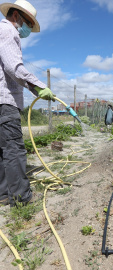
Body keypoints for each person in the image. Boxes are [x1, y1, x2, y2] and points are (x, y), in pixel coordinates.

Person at [0, 0, 55, 207]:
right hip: (5, 100)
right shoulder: (8, 32)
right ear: (16, 16)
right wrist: (39, 86)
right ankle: (21, 198)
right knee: (14, 148)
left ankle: (4, 194)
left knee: (3, 149)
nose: (28, 30)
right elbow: (14, 67)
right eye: (28, 24)